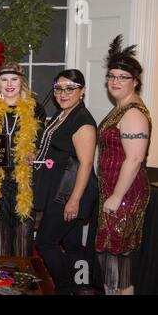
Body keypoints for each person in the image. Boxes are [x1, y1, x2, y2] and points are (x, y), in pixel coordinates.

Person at [96, 35, 151, 295]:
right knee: (111, 263)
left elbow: (135, 158)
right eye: (112, 76)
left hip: (125, 194)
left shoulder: (133, 113)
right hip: (114, 193)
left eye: (122, 77)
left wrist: (117, 196)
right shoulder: (121, 108)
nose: (115, 81)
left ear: (135, 82)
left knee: (120, 263)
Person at [34, 69, 97, 294]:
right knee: (72, 244)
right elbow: (58, 148)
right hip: (61, 186)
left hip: (70, 191)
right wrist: (38, 157)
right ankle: (81, 284)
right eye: (59, 88)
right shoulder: (64, 113)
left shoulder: (83, 122)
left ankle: (65, 286)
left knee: (45, 242)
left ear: (82, 91)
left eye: (70, 88)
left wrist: (74, 200)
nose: (63, 93)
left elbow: (86, 164)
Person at [0, 62, 45, 256]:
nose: (9, 84)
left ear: (21, 82)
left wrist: (35, 155)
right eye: (4, 80)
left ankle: (23, 283)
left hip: (24, 181)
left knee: (22, 242)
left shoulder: (36, 109)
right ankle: (0, 284)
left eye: (14, 79)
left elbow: (41, 144)